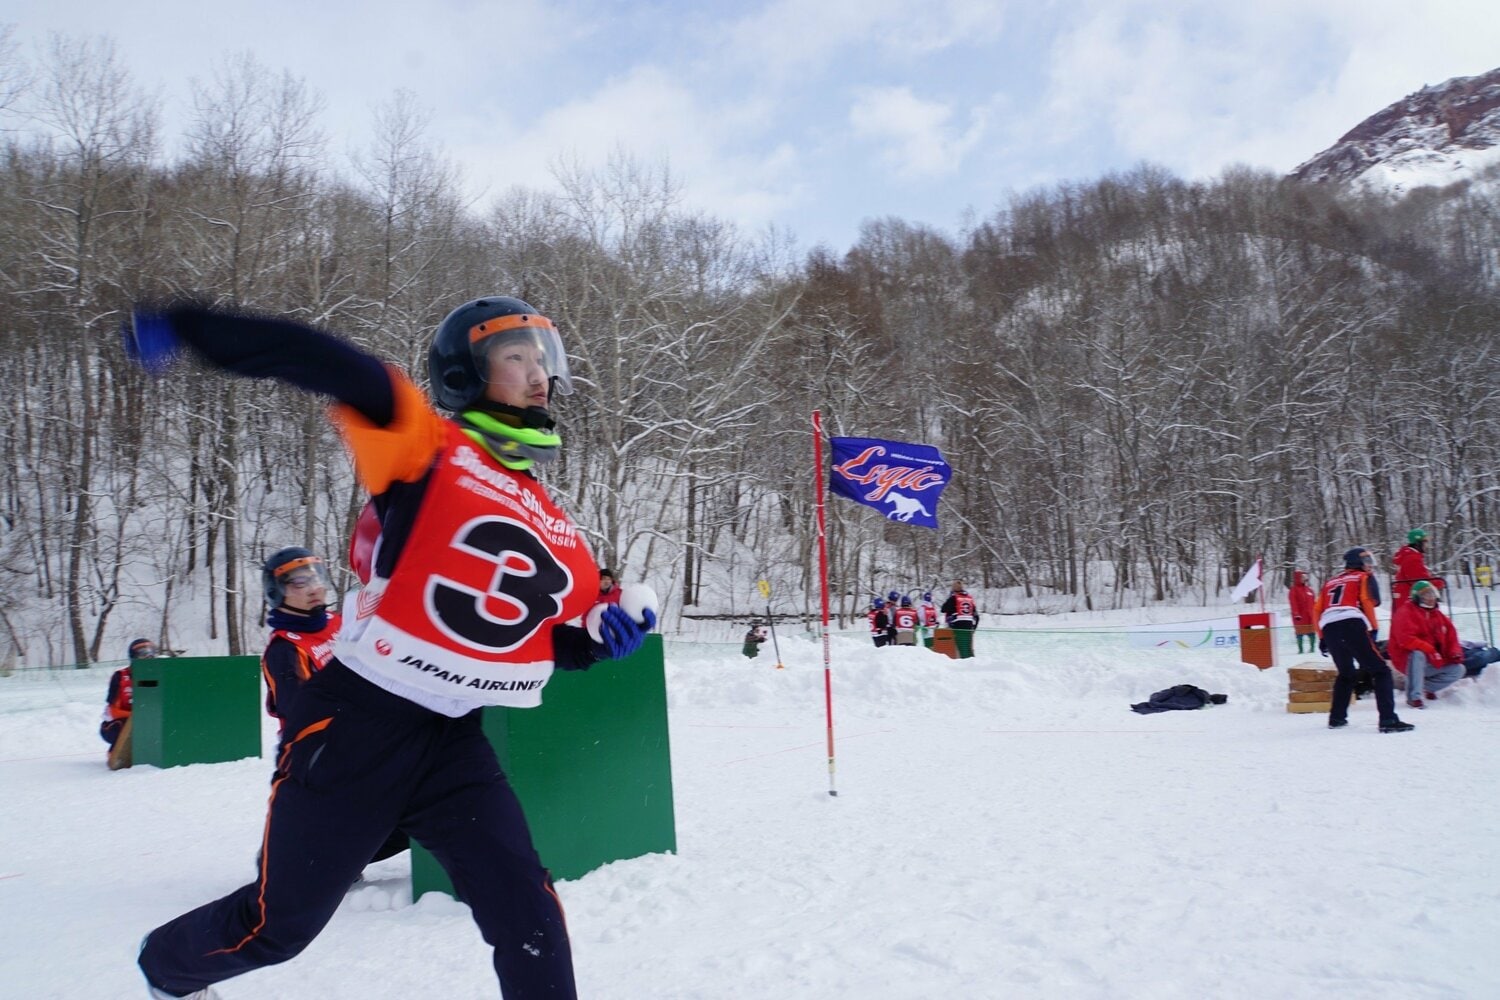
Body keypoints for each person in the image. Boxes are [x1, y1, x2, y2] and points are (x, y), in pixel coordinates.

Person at [127, 295, 655, 1000]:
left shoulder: (551, 518)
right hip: (354, 729)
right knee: (277, 927)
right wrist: (197, 329)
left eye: (544, 360)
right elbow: (335, 367)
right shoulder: (426, 449)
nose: (538, 376)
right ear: (466, 374)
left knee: (529, 912)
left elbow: (530, 639)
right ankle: (167, 971)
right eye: (516, 357)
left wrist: (599, 638)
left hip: (454, 745)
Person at [1314, 546, 1413, 733]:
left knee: (1346, 673)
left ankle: (1337, 718)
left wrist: (1321, 636)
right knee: (1381, 671)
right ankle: (1388, 720)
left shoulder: (1330, 582)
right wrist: (1373, 628)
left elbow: (1317, 609)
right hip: (1351, 622)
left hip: (1329, 626)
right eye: (1366, 562)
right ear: (1357, 563)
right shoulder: (1362, 577)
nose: (1370, 566)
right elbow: (1368, 601)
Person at [1388, 580, 1464, 708]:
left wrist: (1454, 652)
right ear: (1417, 597)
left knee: (1458, 669)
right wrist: (1430, 651)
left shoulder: (1438, 615)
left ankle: (1426, 687)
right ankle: (1414, 696)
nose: (1431, 598)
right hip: (1409, 660)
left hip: (1434, 660)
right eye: (1427, 595)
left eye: (1432, 594)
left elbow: (1452, 637)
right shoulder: (1405, 612)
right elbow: (1405, 639)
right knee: (1418, 653)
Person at [101, 638, 155, 768]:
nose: (148, 657)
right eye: (143, 653)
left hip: (142, 722)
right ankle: (115, 755)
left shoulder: (155, 676)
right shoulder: (120, 677)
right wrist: (137, 715)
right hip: (114, 725)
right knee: (127, 724)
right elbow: (112, 710)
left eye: (151, 653)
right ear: (134, 657)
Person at [1391, 528, 1443, 604]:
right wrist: (1439, 582)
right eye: (1425, 542)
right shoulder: (1412, 559)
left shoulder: (1408, 556)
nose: (1426, 546)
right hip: (1409, 604)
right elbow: (1421, 583)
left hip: (1404, 600)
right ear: (1418, 543)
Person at [1288, 570, 1317, 654]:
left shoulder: (1309, 590)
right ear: (1298, 578)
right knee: (1299, 633)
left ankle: (1312, 648)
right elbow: (1293, 603)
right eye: (1302, 577)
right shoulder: (1293, 590)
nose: (1304, 578)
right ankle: (1300, 650)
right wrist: (1296, 613)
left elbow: (1314, 602)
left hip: (1310, 616)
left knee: (1312, 632)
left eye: (1305, 577)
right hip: (1300, 617)